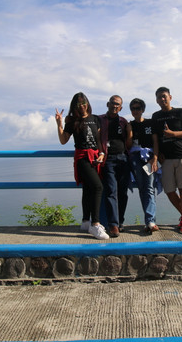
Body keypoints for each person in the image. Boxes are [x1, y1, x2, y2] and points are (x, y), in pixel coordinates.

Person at [55, 92, 109, 240]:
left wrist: (102, 154)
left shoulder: (95, 119)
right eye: (79, 104)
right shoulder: (72, 121)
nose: (83, 106)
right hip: (82, 158)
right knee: (98, 187)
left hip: (95, 157)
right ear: (75, 106)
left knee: (88, 189)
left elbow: (99, 140)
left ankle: (86, 222)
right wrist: (59, 123)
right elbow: (63, 140)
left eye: (84, 103)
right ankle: (95, 224)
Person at [151, 87, 182, 234]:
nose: (162, 99)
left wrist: (173, 134)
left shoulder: (180, 112)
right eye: (159, 97)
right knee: (169, 190)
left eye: (164, 96)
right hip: (166, 159)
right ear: (156, 100)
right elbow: (155, 140)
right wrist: (156, 157)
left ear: (170, 97)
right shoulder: (155, 116)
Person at [98, 95, 131, 238]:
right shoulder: (99, 119)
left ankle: (120, 221)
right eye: (112, 103)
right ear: (108, 104)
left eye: (117, 104)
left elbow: (128, 140)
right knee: (111, 191)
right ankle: (113, 225)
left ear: (121, 107)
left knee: (122, 192)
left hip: (123, 158)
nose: (114, 106)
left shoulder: (123, 122)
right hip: (108, 159)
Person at [127, 98, 158, 234]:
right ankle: (149, 221)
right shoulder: (129, 125)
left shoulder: (151, 123)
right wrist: (129, 131)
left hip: (150, 157)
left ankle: (151, 221)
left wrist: (155, 158)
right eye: (133, 108)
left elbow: (155, 141)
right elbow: (128, 145)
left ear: (143, 109)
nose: (135, 111)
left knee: (149, 188)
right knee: (142, 188)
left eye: (138, 108)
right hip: (135, 158)